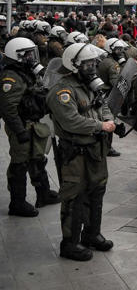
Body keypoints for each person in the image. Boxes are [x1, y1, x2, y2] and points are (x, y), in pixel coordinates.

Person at [46, 42, 116, 261]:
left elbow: (102, 105)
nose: (93, 66)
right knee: (74, 197)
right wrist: (99, 126)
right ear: (74, 65)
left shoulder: (89, 85)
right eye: (88, 63)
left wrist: (108, 118)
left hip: (96, 150)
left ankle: (91, 234)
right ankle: (70, 243)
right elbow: (70, 121)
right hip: (75, 153)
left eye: (94, 62)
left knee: (97, 193)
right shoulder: (63, 90)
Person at [0, 37, 59, 217]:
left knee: (37, 158)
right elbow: (8, 109)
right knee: (20, 163)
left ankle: (43, 194)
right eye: (26, 54)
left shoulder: (25, 72)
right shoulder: (11, 77)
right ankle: (17, 203)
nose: (30, 58)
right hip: (21, 126)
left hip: (32, 123)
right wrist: (19, 131)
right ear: (16, 56)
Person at [97, 37, 129, 157]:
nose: (120, 52)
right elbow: (115, 83)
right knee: (109, 120)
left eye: (121, 49)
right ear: (110, 49)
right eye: (117, 49)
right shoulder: (113, 64)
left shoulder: (105, 60)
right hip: (108, 95)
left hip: (102, 93)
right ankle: (107, 147)